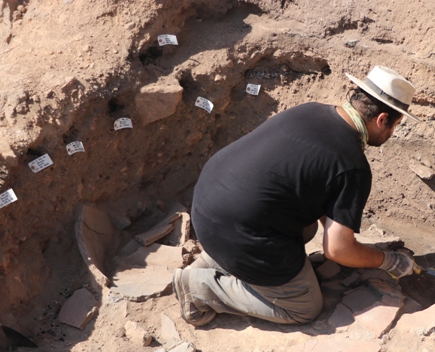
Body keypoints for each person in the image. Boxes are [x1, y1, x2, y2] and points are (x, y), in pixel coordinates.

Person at [173, 66, 421, 327]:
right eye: (395, 125)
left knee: (307, 229)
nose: (391, 134)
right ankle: (200, 289)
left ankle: (210, 261)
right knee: (304, 308)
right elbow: (337, 249)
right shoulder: (352, 165)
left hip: (207, 206)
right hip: (237, 231)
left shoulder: (310, 110)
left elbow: (314, 187)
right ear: (382, 119)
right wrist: (387, 261)